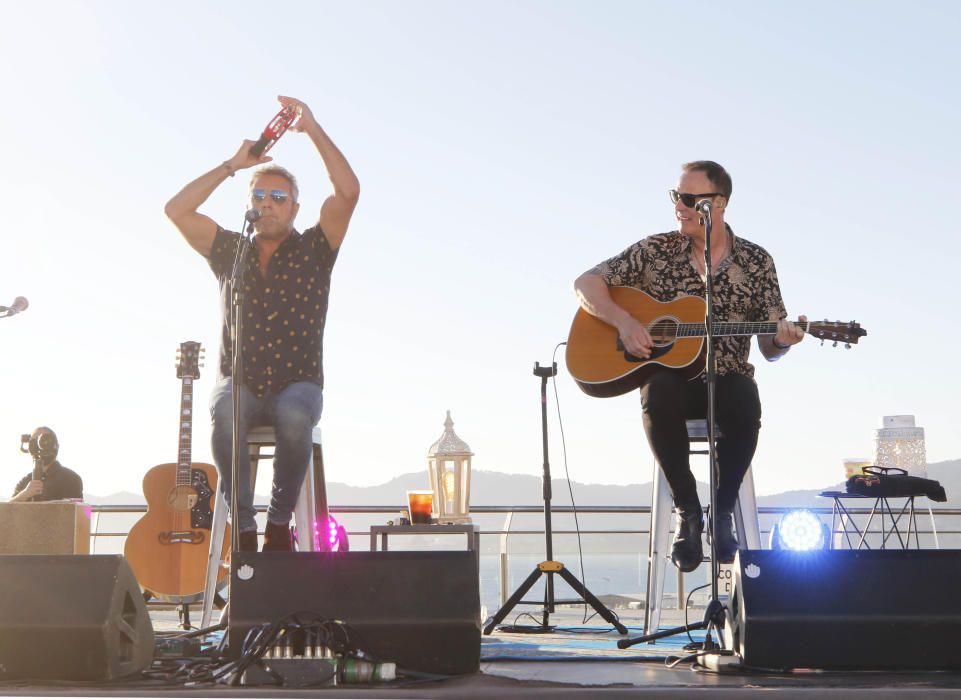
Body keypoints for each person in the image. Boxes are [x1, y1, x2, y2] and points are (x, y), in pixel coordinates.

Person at [573, 161, 805, 572]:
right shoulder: (654, 250)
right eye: (675, 197)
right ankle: (689, 512)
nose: (678, 206)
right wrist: (624, 322)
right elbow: (586, 283)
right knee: (658, 389)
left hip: (728, 378)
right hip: (672, 382)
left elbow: (769, 347)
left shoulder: (756, 262)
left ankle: (723, 509)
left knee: (745, 399)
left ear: (718, 204)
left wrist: (783, 341)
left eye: (687, 199)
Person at [164, 95, 359, 552]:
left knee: (294, 415)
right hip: (241, 380)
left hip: (299, 383)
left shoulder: (316, 249)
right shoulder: (231, 249)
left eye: (278, 198)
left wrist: (311, 129)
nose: (267, 204)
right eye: (259, 196)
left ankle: (277, 524)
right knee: (227, 411)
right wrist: (233, 164)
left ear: (293, 208)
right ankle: (245, 528)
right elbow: (176, 210)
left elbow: (348, 192)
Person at [10, 427, 83, 502]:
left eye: (45, 440)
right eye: (35, 441)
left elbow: (84, 511)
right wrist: (25, 494)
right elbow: (5, 509)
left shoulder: (71, 478)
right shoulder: (25, 481)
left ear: (56, 446)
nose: (40, 445)